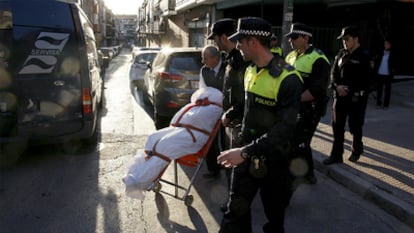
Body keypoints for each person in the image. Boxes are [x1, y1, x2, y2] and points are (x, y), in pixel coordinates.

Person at [217, 17, 303, 233]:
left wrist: (244, 152)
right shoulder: (250, 70)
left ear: (253, 42)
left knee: (274, 217)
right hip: (246, 155)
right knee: (234, 212)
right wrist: (233, 115)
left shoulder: (288, 78)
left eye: (240, 41)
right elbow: (249, 107)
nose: (237, 46)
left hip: (275, 161)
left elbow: (284, 129)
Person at [284, 23, 330, 185]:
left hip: (310, 110)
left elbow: (317, 90)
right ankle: (307, 173)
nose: (291, 41)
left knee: (300, 142)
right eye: (290, 38)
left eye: (295, 38)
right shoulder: (290, 56)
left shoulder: (319, 59)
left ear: (306, 38)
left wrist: (292, 100)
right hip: (293, 107)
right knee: (297, 142)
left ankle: (303, 175)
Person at [323, 26, 373, 165]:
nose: (344, 42)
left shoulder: (365, 56)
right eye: (343, 39)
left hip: (356, 99)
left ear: (356, 39)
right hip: (339, 97)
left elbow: (369, 81)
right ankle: (336, 155)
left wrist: (350, 89)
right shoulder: (341, 54)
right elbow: (333, 74)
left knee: (355, 126)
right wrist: (336, 86)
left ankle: (357, 148)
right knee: (337, 127)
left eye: (347, 39)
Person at [207, 18, 248, 150]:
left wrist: (230, 115)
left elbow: (243, 96)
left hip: (237, 123)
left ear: (223, 37)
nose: (214, 43)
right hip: (231, 121)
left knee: (234, 164)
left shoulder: (239, 61)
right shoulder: (230, 58)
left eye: (215, 39)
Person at [199, 45, 226, 179]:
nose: (203, 61)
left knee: (225, 140)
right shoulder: (204, 70)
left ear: (215, 58)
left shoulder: (227, 68)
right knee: (210, 139)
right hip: (211, 110)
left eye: (205, 58)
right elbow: (203, 90)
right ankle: (213, 169)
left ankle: (228, 168)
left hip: (227, 110)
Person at [373, 39, 395, 109]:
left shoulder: (392, 53)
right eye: (384, 44)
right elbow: (376, 60)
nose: (385, 45)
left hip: (388, 74)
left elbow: (394, 64)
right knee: (379, 90)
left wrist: (393, 71)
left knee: (387, 90)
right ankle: (378, 104)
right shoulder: (380, 52)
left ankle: (386, 104)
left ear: (390, 45)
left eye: (387, 44)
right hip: (380, 73)